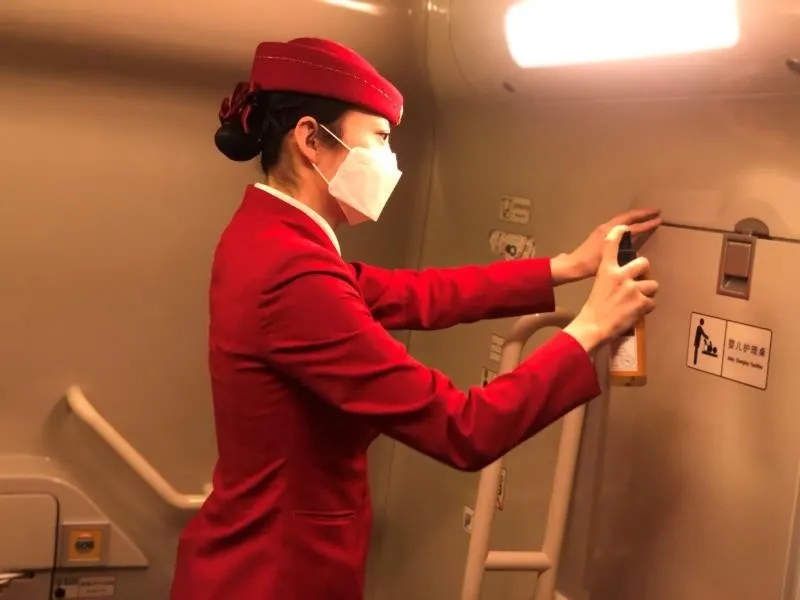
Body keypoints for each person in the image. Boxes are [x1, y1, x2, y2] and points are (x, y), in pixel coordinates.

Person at [170, 37, 661, 600]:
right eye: (380, 138)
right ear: (311, 139)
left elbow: (418, 293)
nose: (391, 162)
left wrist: (565, 267)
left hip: (254, 563)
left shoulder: (268, 236)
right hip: (272, 577)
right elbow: (464, 429)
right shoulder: (293, 272)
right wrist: (591, 328)